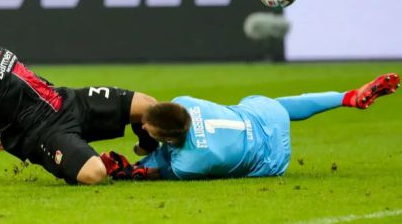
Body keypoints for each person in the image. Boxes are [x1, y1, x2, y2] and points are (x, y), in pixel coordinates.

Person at [0, 0, 161, 185]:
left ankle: (148, 150)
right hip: (45, 132)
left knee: (151, 108)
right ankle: (114, 165)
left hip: (67, 101)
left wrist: (7, 129)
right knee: (94, 173)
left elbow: (13, 87)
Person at [101, 74, 400, 180]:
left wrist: (134, 166)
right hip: (265, 118)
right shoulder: (186, 102)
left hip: (271, 160)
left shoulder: (189, 163)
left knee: (156, 163)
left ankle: (347, 98)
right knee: (275, 105)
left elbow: (157, 169)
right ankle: (347, 98)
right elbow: (168, 125)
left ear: (167, 137)